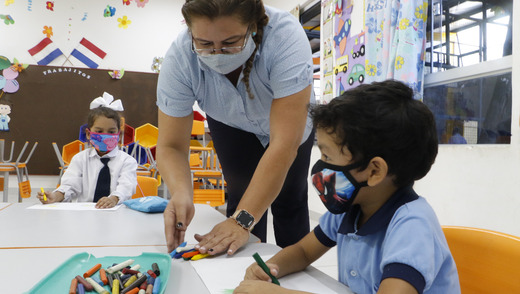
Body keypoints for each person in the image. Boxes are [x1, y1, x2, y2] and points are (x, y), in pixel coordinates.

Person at [235, 80, 461, 293]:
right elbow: (303, 251)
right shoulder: (351, 207)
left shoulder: (412, 226)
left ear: (374, 171)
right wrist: (270, 267)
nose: (321, 166)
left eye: (328, 156)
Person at [157, 0, 315, 255]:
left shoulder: (284, 36)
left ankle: (293, 270)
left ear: (252, 26)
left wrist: (243, 220)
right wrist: (181, 192)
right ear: (189, 30)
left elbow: (284, 144)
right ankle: (239, 272)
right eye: (205, 44)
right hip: (230, 122)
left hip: (291, 127)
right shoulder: (180, 58)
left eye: (230, 42)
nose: (217, 54)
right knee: (241, 199)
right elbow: (171, 146)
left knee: (290, 199)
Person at [37, 95, 138, 209]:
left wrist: (113, 199)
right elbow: (69, 186)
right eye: (99, 131)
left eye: (111, 132)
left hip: (117, 213)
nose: (105, 135)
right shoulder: (80, 159)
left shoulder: (127, 161)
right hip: (85, 214)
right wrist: (55, 196)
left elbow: (126, 187)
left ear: (118, 135)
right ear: (89, 134)